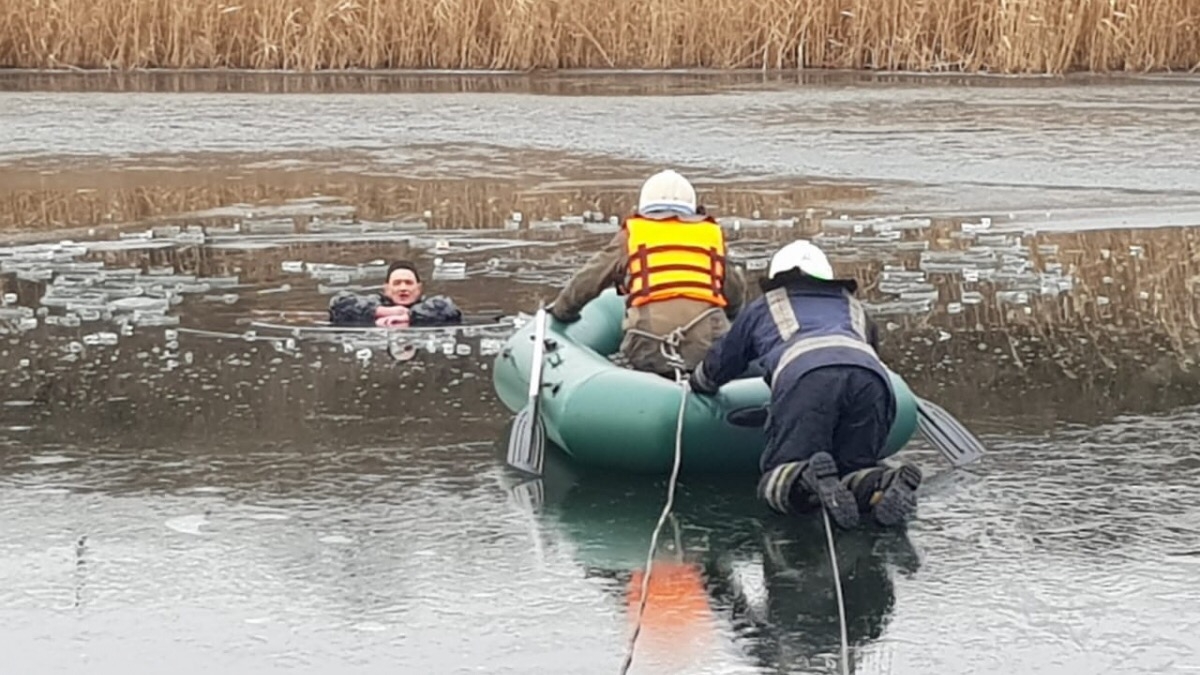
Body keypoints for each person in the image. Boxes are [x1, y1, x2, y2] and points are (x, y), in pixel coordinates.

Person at [688, 239, 923, 530]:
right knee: (856, 467)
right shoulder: (854, 307)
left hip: (807, 377)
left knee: (775, 482)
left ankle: (807, 477)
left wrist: (698, 382)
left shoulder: (766, 305)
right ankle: (885, 482)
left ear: (778, 277)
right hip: (870, 379)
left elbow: (724, 361)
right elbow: (869, 353)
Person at [547, 169, 746, 379]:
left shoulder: (631, 236)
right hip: (708, 347)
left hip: (648, 345)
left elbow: (589, 280)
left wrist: (562, 312)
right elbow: (733, 291)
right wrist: (731, 317)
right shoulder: (710, 235)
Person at [328, 260, 462, 328]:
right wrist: (382, 311)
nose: (403, 288)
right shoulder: (376, 301)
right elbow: (338, 303)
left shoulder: (429, 304)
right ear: (386, 288)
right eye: (397, 283)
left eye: (408, 283)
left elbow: (450, 309)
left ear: (419, 288)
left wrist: (410, 316)